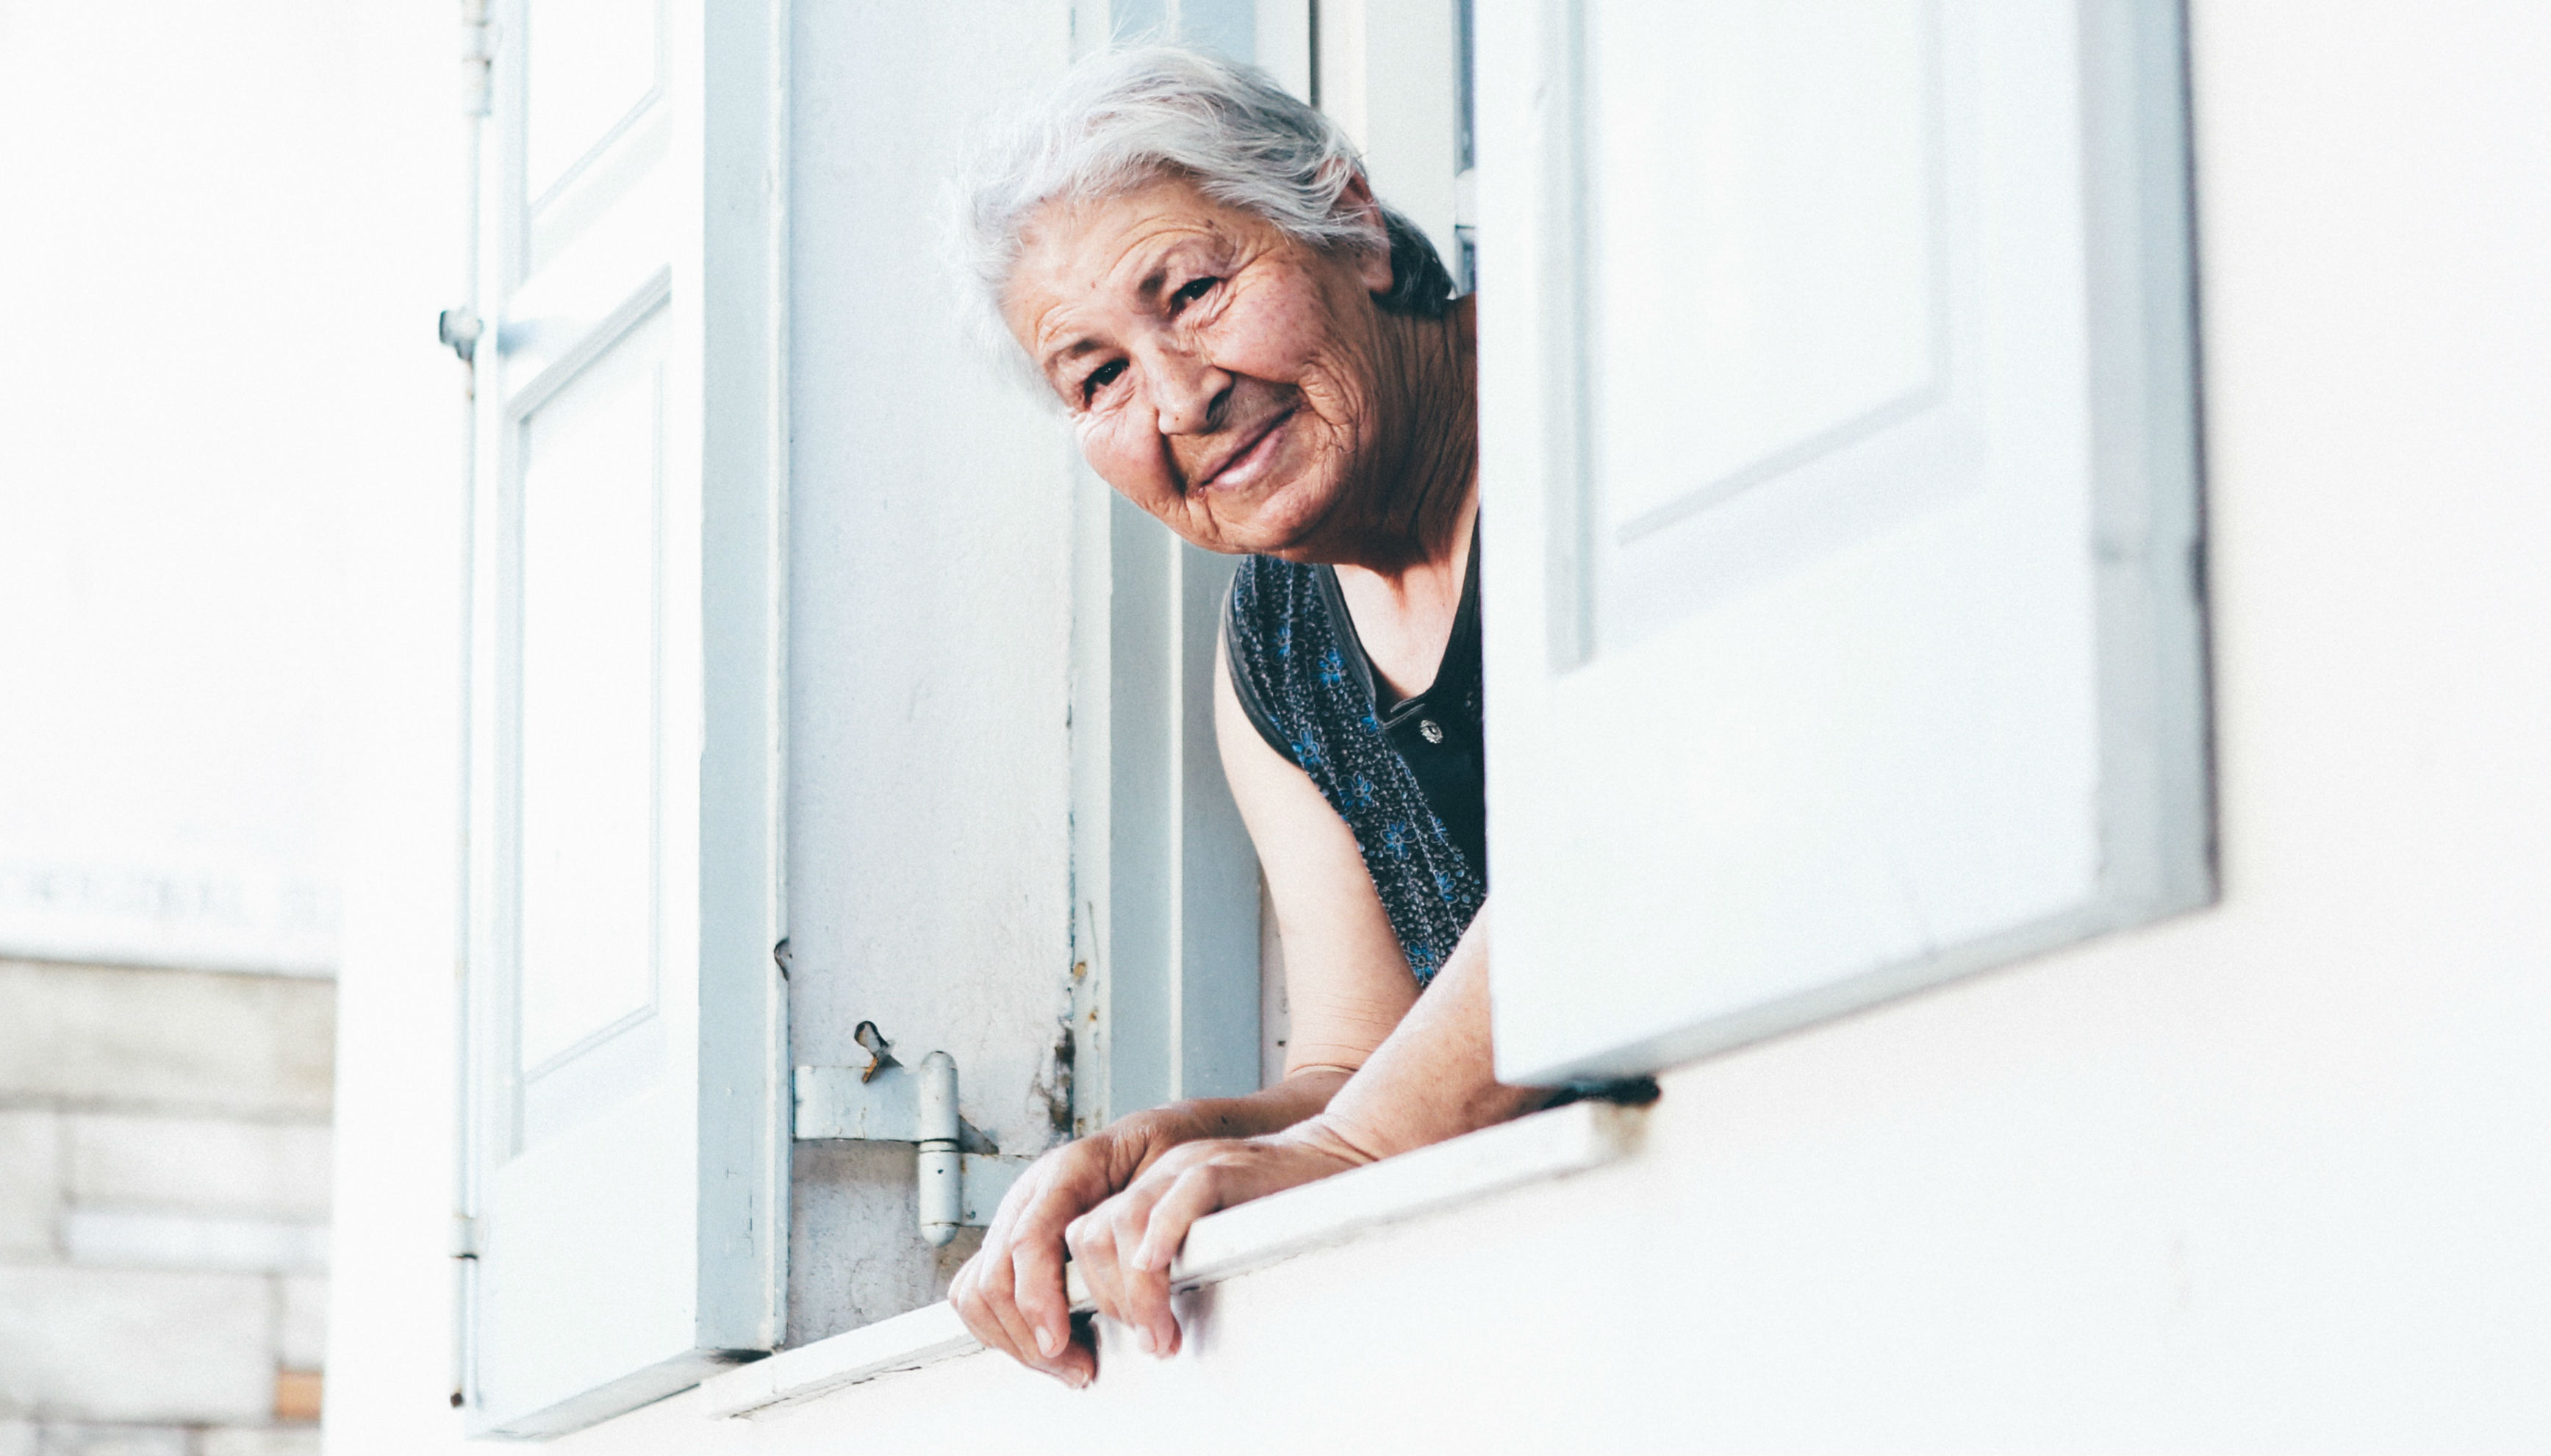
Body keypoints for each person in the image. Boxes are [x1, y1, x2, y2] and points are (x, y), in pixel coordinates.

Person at [947, 46, 1545, 1388]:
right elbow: (1356, 1061)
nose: (1177, 399)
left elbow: (1646, 819)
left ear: (1349, 223)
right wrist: (1144, 1158)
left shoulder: (1584, 408)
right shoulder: (1277, 654)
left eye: (1196, 291)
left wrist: (1350, 1152)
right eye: (1096, 375)